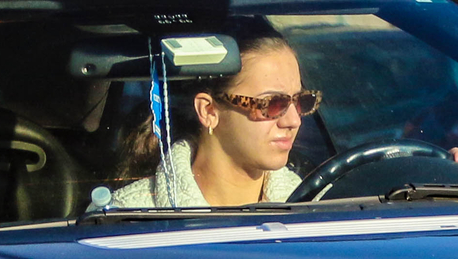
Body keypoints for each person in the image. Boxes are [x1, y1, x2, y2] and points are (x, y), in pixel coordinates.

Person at [112, 31, 316, 208]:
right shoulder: (125, 218)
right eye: (273, 104)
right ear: (208, 111)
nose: (293, 121)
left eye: (302, 101)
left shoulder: (317, 207)